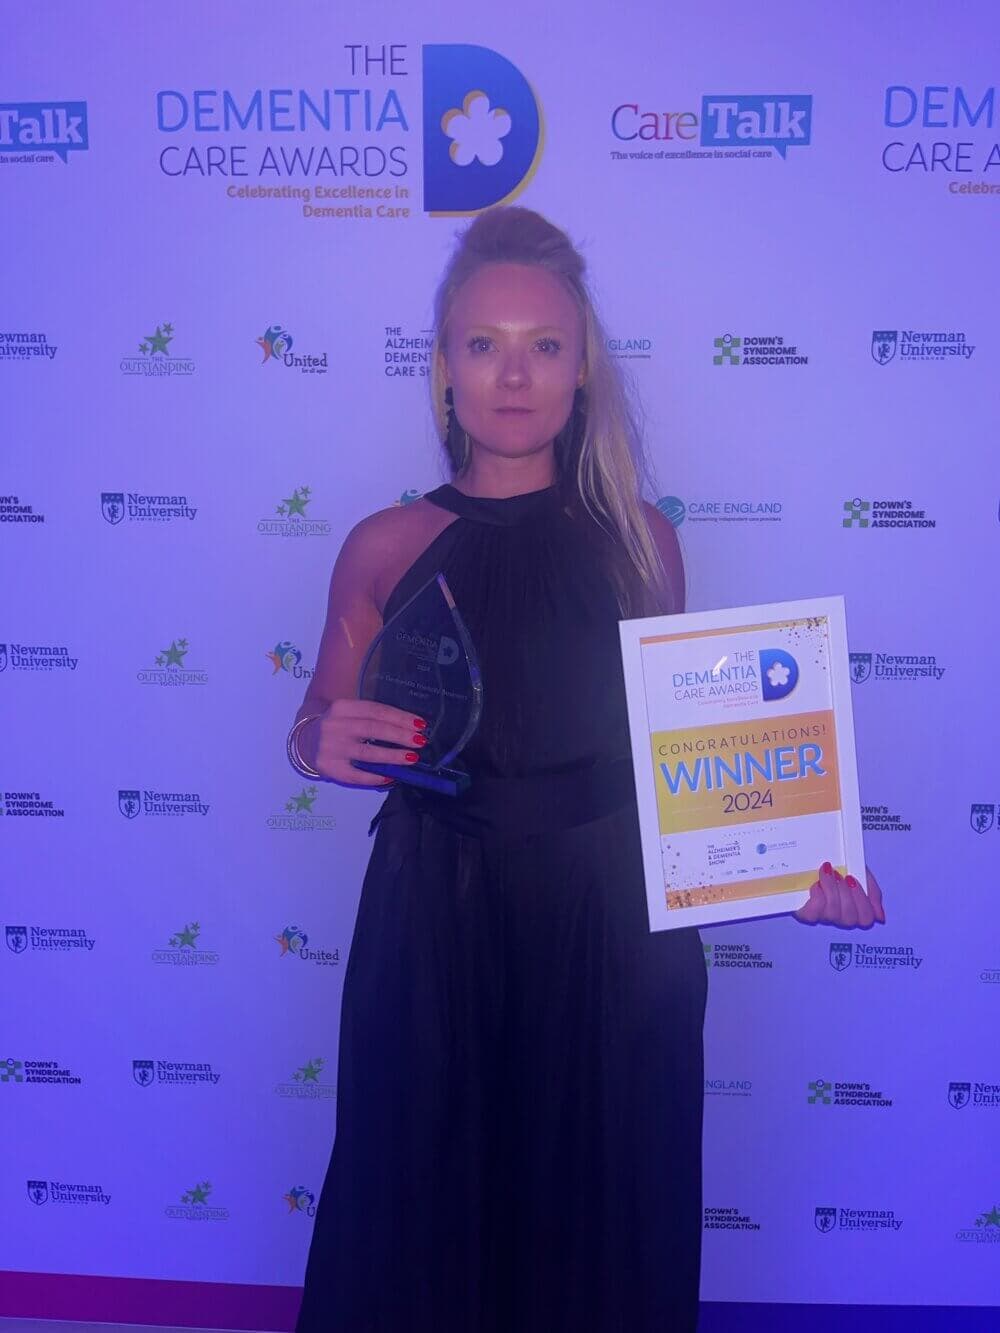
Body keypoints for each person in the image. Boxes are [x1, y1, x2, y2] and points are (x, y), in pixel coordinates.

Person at [288, 205, 885, 1332]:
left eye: (543, 346)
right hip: (434, 930)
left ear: (580, 372)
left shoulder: (642, 542)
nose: (513, 375)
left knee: (605, 1216)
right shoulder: (384, 543)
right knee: (414, 1209)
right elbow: (317, 716)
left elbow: (691, 767)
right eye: (484, 344)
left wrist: (794, 865)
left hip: (613, 935)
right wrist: (312, 740)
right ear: (445, 369)